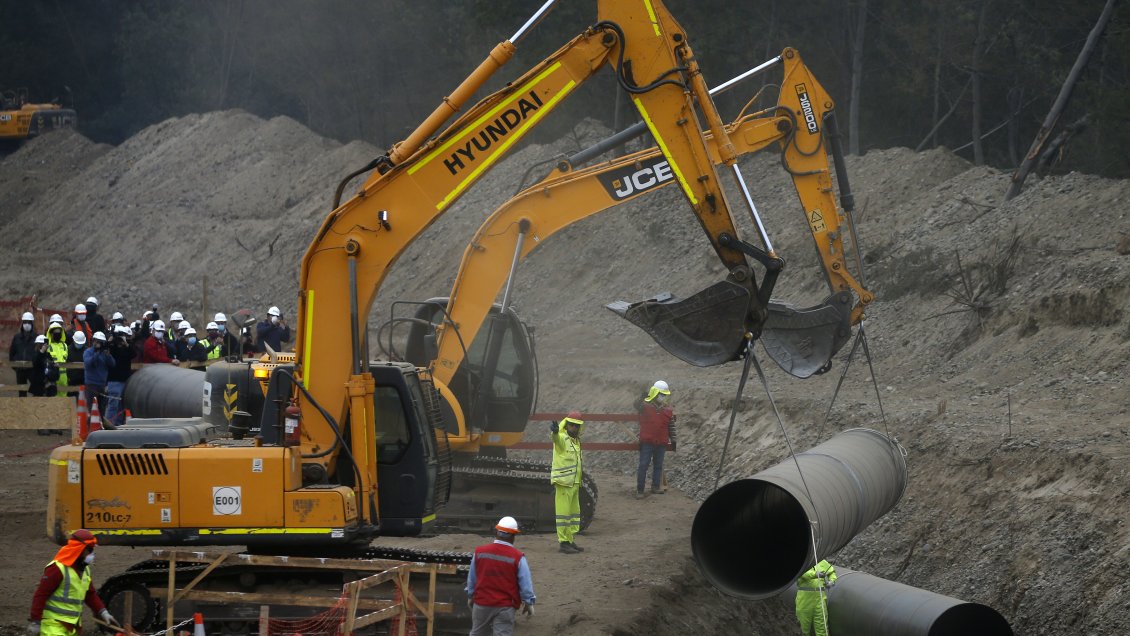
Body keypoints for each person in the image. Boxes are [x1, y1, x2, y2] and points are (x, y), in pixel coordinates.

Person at [27, 529, 120, 636]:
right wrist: (36, 622)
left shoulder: (85, 570)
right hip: (53, 626)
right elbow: (41, 595)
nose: (92, 554)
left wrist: (103, 612)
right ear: (79, 550)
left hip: (72, 627)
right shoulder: (57, 569)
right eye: (89, 550)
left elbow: (90, 594)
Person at [465, 516, 535, 635]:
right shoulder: (518, 557)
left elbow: (472, 578)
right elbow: (525, 583)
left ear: (497, 532)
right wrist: (529, 602)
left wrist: (471, 595)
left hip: (481, 604)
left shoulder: (479, 552)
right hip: (505, 607)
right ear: (513, 536)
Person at [550, 411, 585, 554]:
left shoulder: (576, 441)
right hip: (564, 482)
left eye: (577, 426)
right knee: (563, 514)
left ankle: (570, 540)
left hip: (574, 483)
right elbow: (556, 439)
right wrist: (555, 433)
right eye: (572, 425)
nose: (574, 428)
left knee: (572, 514)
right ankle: (563, 543)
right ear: (567, 425)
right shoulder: (563, 438)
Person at [636, 380, 677, 498]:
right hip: (647, 442)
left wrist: (674, 440)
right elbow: (637, 406)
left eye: (665, 394)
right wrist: (640, 398)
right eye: (661, 394)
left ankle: (655, 487)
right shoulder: (644, 405)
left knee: (658, 465)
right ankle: (640, 490)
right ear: (655, 392)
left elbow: (671, 426)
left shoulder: (668, 410)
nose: (663, 397)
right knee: (643, 465)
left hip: (661, 443)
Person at [795, 560, 837, 636]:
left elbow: (832, 572)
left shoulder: (822, 562)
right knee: (804, 626)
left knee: (822, 626)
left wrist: (831, 581)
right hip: (805, 598)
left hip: (820, 598)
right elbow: (802, 573)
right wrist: (815, 574)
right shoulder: (803, 561)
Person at [104, 326, 135, 428]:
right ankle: (109, 424)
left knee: (122, 405)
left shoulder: (127, 348)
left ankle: (119, 424)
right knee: (113, 404)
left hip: (125, 381)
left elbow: (133, 354)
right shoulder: (112, 348)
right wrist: (111, 339)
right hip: (114, 381)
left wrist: (125, 343)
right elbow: (104, 348)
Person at [82, 332, 115, 412]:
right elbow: (89, 363)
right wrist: (97, 353)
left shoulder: (104, 353)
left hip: (102, 385)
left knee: (101, 409)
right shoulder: (88, 352)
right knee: (91, 409)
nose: (99, 344)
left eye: (101, 342)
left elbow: (113, 364)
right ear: (94, 341)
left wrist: (108, 355)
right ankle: (90, 424)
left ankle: (101, 423)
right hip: (91, 385)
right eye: (97, 341)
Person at [8, 311, 37, 397]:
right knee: (22, 393)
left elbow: (40, 354)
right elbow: (12, 353)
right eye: (25, 322)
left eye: (28, 322)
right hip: (20, 370)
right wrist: (15, 367)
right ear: (22, 323)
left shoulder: (37, 338)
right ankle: (22, 409)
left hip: (32, 370)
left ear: (32, 323)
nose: (26, 324)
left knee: (36, 391)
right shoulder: (17, 337)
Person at [44, 317, 70, 390]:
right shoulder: (47, 346)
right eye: (55, 333)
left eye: (59, 333)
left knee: (64, 398)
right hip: (52, 378)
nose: (57, 334)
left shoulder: (65, 345)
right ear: (51, 334)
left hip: (65, 377)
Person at [65, 332, 87, 398]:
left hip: (83, 382)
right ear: (73, 340)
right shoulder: (67, 350)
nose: (79, 345)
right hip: (70, 382)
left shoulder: (87, 351)